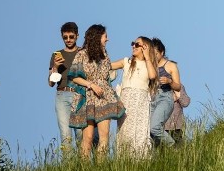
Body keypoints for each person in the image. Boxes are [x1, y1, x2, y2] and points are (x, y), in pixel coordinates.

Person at [68, 24, 126, 159]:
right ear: (98, 36)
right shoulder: (81, 54)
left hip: (104, 97)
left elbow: (106, 75)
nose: (108, 39)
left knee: (104, 136)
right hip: (87, 97)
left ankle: (101, 169)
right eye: (105, 36)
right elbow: (74, 77)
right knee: (87, 138)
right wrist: (91, 85)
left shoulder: (105, 54)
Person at [112, 36, 156, 158]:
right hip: (126, 100)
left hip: (141, 101)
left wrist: (147, 56)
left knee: (140, 131)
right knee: (125, 130)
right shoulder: (126, 61)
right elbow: (108, 66)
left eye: (137, 44)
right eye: (133, 43)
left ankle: (141, 160)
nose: (133, 46)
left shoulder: (149, 64)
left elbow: (152, 76)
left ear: (145, 47)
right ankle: (125, 160)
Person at [48, 22, 82, 152]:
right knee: (65, 134)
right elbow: (50, 83)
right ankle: (68, 167)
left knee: (80, 133)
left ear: (77, 36)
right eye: (65, 37)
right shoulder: (57, 54)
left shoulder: (83, 52)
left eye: (71, 37)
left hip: (79, 93)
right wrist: (55, 67)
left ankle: (84, 166)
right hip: (62, 95)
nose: (68, 40)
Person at [150, 38, 182, 148]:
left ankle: (175, 147)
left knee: (154, 127)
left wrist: (169, 81)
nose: (153, 57)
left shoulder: (171, 65)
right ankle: (156, 157)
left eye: (156, 54)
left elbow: (178, 87)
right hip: (151, 98)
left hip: (165, 96)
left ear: (162, 52)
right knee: (148, 132)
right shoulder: (150, 65)